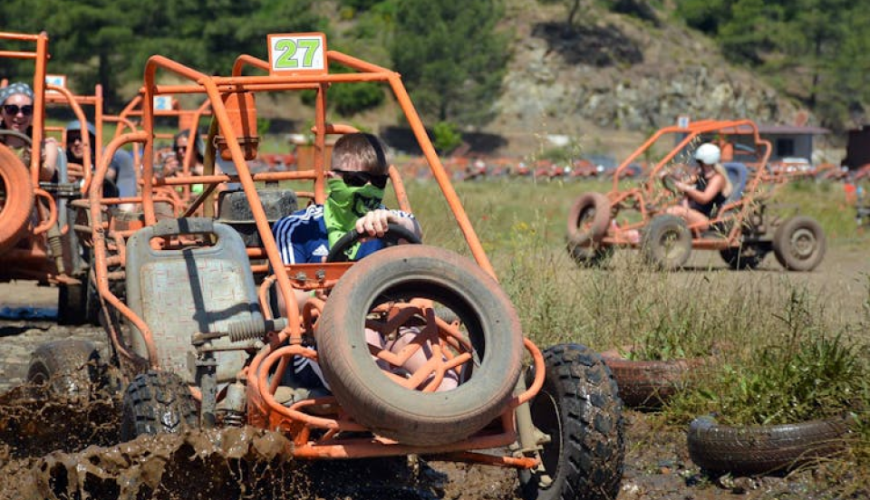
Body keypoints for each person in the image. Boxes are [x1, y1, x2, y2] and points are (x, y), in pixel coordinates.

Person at [271, 132, 456, 401]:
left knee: (446, 377)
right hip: (319, 340)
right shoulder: (299, 228)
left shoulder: (389, 219)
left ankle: (448, 421)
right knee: (367, 339)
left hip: (391, 328)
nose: (367, 188)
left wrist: (391, 220)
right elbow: (288, 307)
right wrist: (327, 291)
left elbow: (413, 227)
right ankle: (396, 413)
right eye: (356, 180)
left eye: (378, 181)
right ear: (332, 178)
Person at [65, 120, 138, 207]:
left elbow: (109, 174)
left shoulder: (107, 155)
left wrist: (89, 176)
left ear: (92, 140)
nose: (76, 143)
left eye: (81, 138)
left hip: (105, 206)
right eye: (71, 139)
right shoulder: (64, 159)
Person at [666, 142, 733, 232]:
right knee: (662, 210)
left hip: (707, 220)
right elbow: (683, 182)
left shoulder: (718, 179)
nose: (698, 163)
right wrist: (669, 175)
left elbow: (704, 198)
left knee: (676, 211)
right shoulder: (700, 174)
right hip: (693, 213)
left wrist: (686, 188)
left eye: (700, 161)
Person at [0, 82, 59, 182]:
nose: (19, 115)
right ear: (1, 113)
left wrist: (39, 162)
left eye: (26, 110)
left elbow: (46, 176)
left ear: (34, 113)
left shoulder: (47, 146)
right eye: (12, 109)